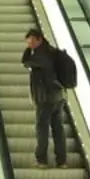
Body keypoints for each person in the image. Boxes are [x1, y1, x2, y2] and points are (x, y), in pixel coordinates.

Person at [23, 28, 67, 169]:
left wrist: (28, 50)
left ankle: (42, 160)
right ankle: (62, 161)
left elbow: (25, 61)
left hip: (46, 99)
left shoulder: (41, 55)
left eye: (32, 43)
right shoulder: (53, 52)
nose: (31, 45)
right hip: (58, 96)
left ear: (39, 39)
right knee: (58, 129)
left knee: (42, 129)